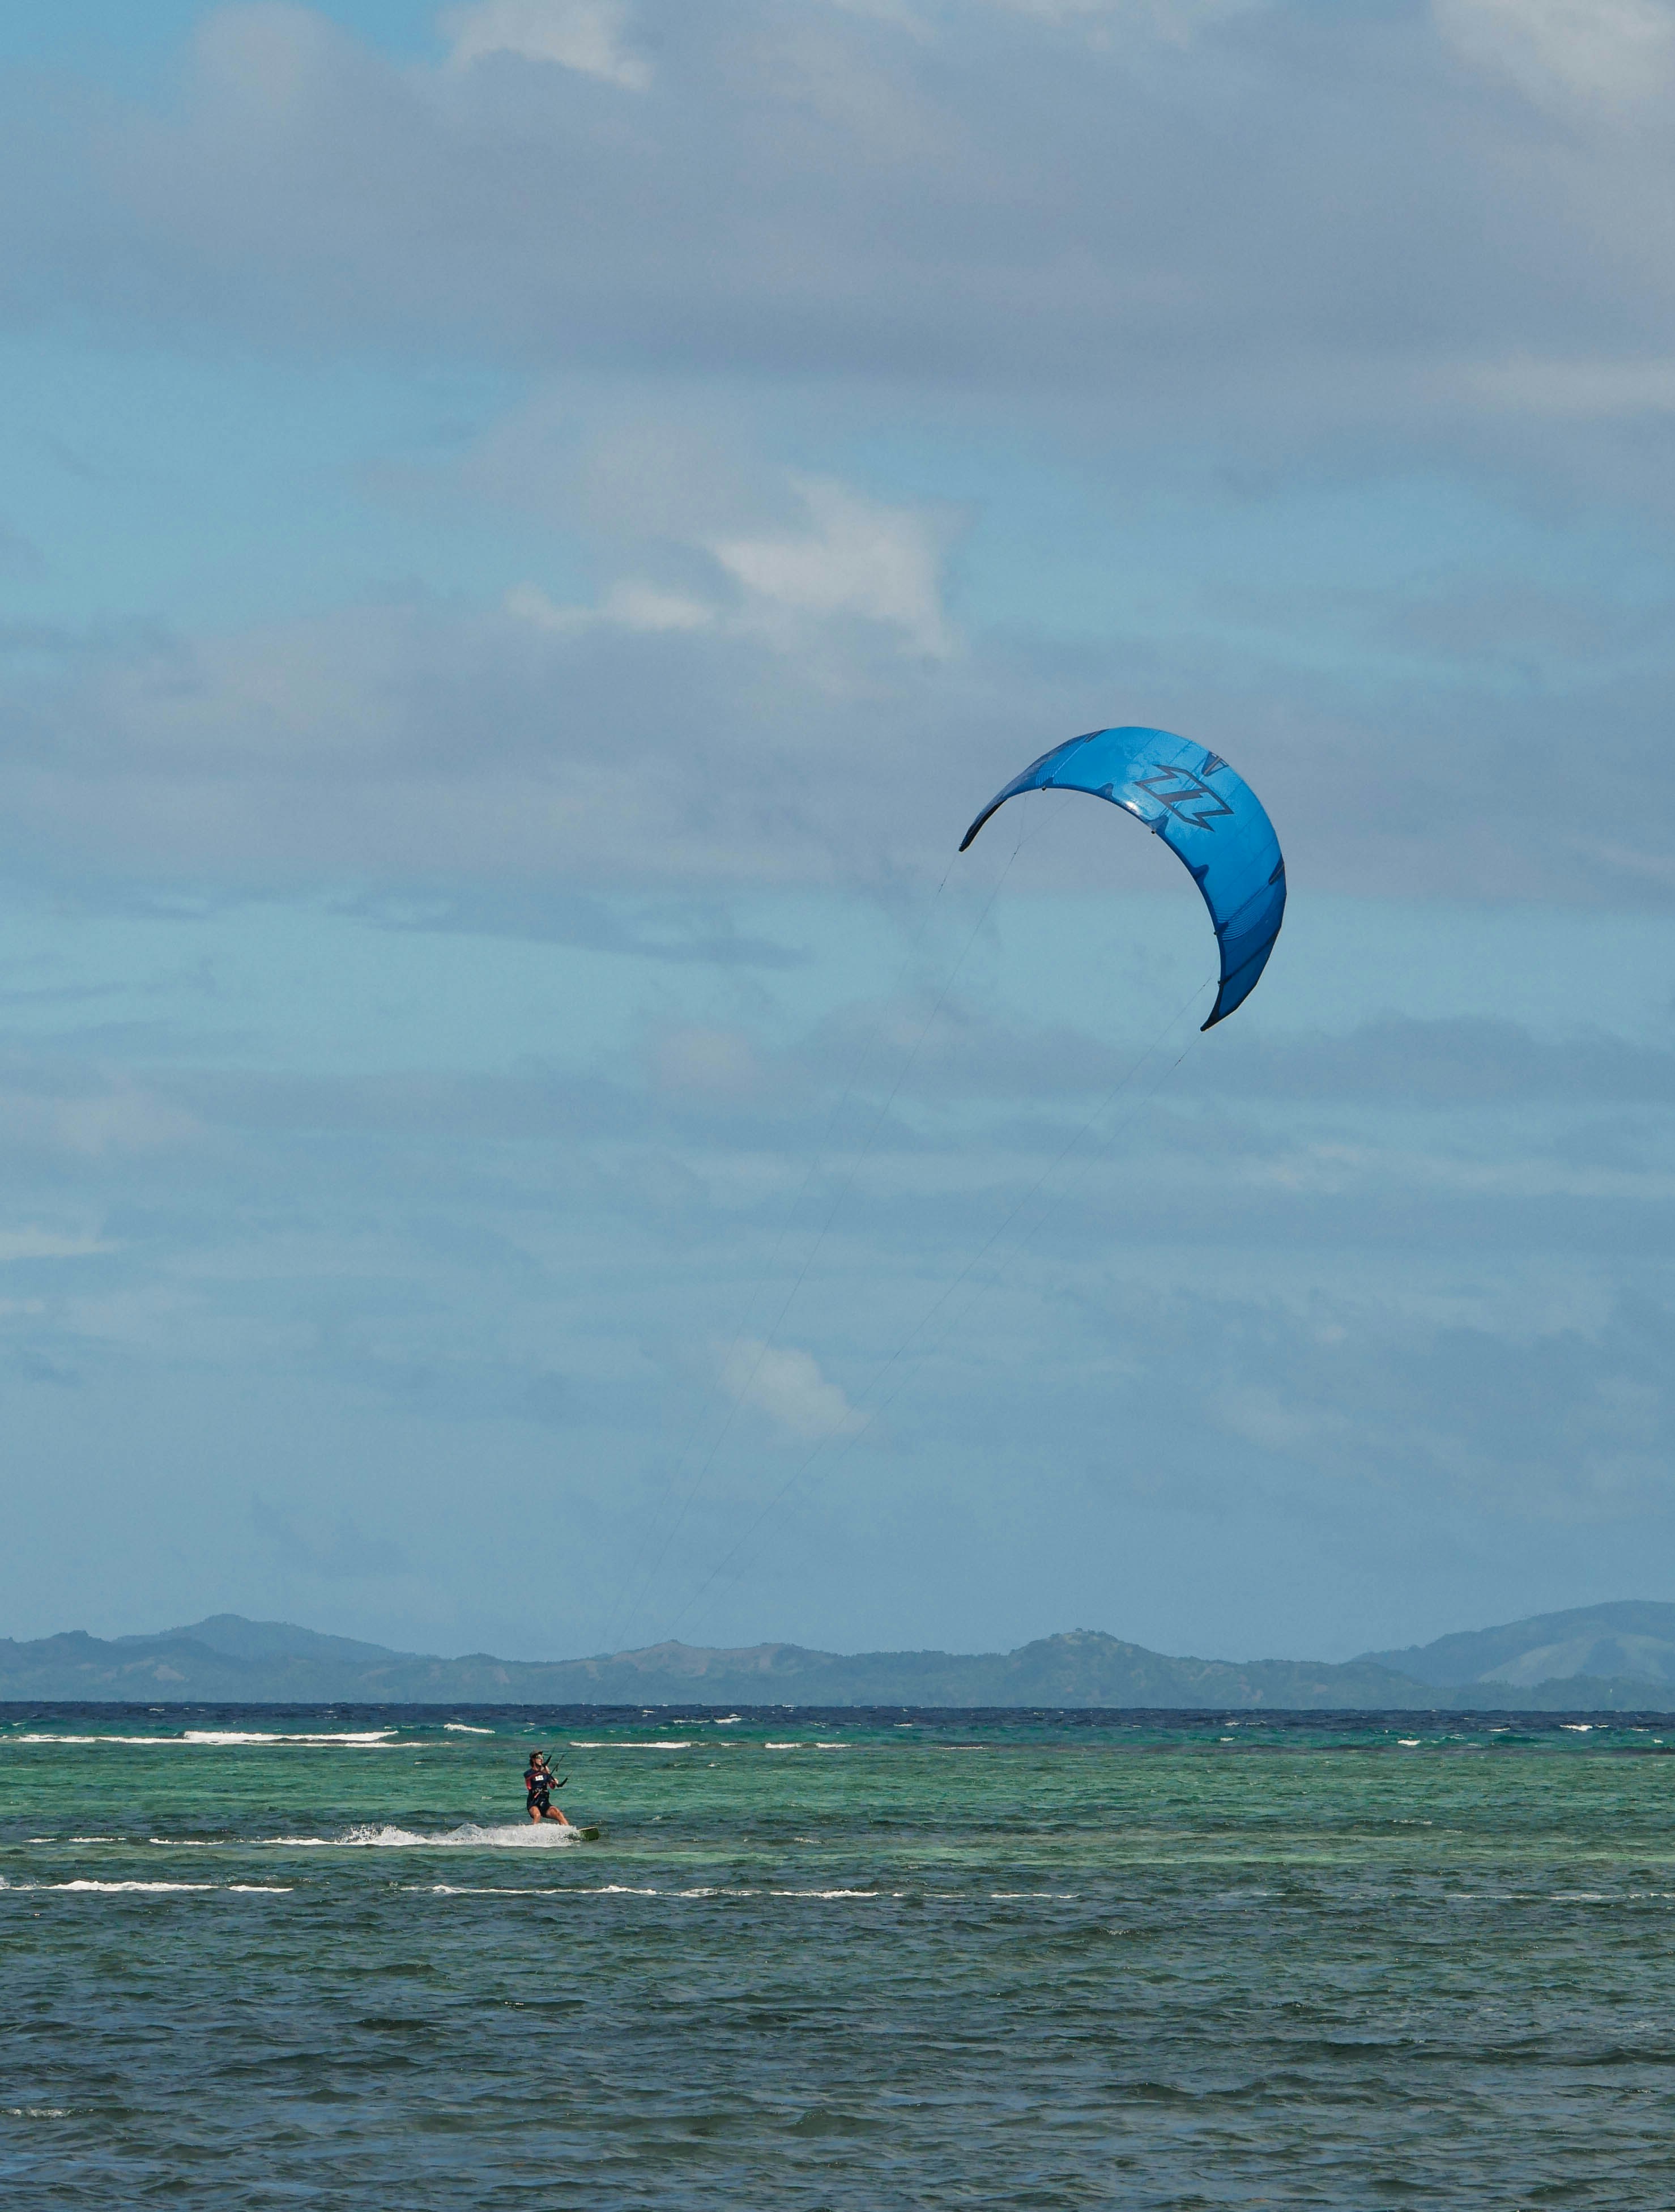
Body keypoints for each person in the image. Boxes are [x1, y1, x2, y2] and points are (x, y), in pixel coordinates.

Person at [523, 1751, 572, 1825]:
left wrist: (554, 1782)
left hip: (544, 1803)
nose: (541, 1759)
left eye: (543, 1758)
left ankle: (568, 1830)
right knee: (537, 1815)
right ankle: (532, 1833)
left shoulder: (545, 1775)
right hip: (533, 1803)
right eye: (539, 1758)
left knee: (558, 1813)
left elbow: (552, 1787)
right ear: (533, 1760)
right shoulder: (529, 1773)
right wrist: (543, 1771)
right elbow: (528, 1780)